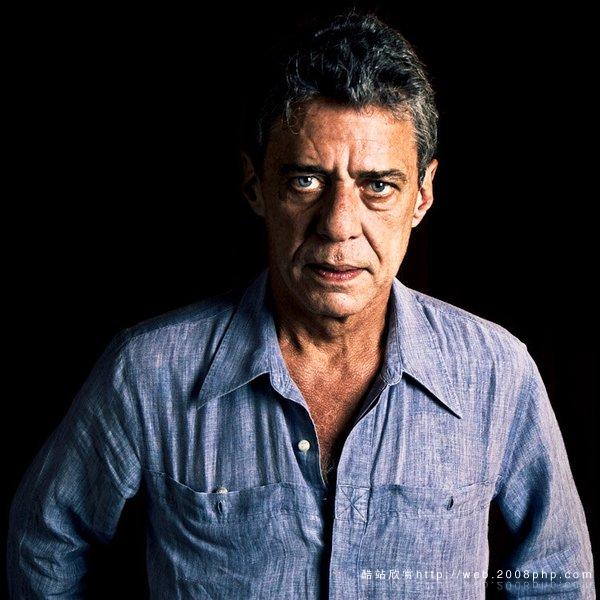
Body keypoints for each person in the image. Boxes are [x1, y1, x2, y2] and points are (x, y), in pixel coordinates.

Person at [7, 10, 595, 599]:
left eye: (378, 186)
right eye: (306, 181)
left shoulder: (496, 373)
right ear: (255, 186)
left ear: (422, 195)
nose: (338, 224)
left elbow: (555, 578)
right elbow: (45, 546)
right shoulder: (148, 372)